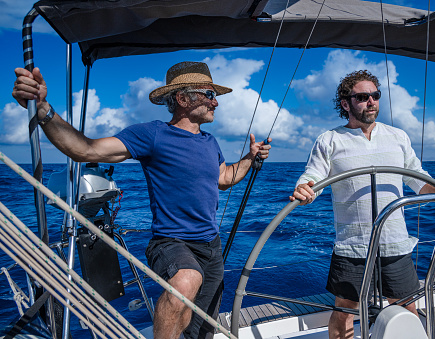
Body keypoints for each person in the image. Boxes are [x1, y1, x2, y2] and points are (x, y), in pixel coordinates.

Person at [12, 61, 272, 339]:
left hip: (212, 248)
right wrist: (43, 110)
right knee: (186, 281)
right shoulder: (153, 134)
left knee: (202, 331)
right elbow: (85, 149)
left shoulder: (210, 142)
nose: (215, 103)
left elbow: (224, 177)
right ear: (182, 98)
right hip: (172, 242)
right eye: (209, 94)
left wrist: (249, 157)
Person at [289, 70, 435, 339]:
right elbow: (314, 175)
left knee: (408, 305)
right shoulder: (329, 140)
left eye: (375, 95)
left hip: (395, 241)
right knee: (346, 309)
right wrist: (305, 188)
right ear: (346, 103)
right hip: (353, 244)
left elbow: (418, 180)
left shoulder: (398, 137)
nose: (371, 101)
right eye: (362, 96)